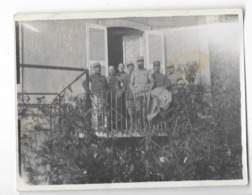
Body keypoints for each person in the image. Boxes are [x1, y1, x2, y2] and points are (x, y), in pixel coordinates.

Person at [82, 62, 109, 130]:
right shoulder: (91, 76)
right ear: (94, 69)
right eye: (97, 68)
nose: (98, 69)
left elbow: (107, 87)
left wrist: (106, 93)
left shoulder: (103, 77)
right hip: (95, 95)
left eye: (99, 67)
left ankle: (104, 126)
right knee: (96, 111)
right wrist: (88, 90)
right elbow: (84, 83)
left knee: (103, 111)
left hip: (103, 96)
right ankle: (96, 126)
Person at [130, 56, 154, 129]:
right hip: (137, 94)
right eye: (139, 61)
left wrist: (149, 89)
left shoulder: (147, 71)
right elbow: (131, 83)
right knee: (138, 110)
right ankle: (139, 126)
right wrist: (133, 91)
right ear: (137, 63)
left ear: (143, 62)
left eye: (141, 61)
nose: (140, 62)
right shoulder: (134, 72)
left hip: (145, 94)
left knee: (145, 110)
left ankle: (145, 126)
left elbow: (152, 81)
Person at [124, 61, 135, 129]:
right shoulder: (126, 77)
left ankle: (136, 126)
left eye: (132, 66)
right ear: (127, 68)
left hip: (136, 97)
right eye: (129, 66)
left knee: (136, 112)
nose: (131, 67)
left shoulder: (136, 75)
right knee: (130, 113)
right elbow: (125, 87)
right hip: (128, 97)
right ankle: (131, 126)